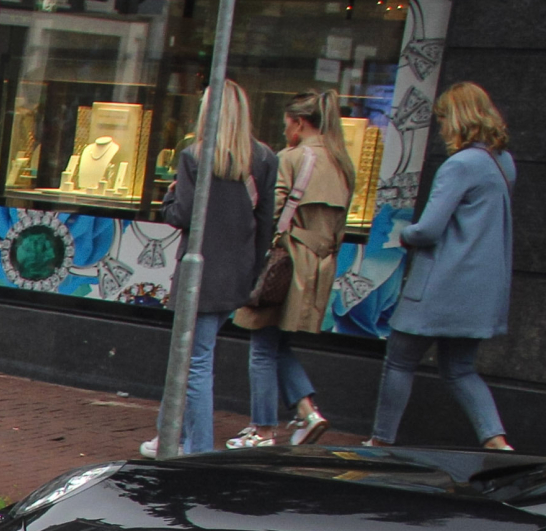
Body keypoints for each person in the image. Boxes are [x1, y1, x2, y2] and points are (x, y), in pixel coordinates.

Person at [369, 83, 516, 451]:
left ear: (457, 119)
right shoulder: (503, 162)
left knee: (400, 361)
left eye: (443, 120)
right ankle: (497, 442)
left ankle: (380, 442)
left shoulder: (459, 164)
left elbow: (430, 228)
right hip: (481, 287)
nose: (441, 128)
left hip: (440, 283)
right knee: (460, 369)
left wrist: (405, 234)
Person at [147, 80, 274, 456]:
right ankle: (172, 435)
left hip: (200, 272)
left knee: (195, 360)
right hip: (236, 271)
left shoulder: (195, 157)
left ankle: (195, 446)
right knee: (196, 355)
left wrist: (168, 197)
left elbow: (181, 214)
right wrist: (254, 271)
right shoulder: (265, 158)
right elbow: (265, 222)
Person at [233, 90, 352, 447]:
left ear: (299, 123)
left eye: (287, 124)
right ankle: (307, 410)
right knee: (277, 341)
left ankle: (263, 428)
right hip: (318, 266)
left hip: (284, 263)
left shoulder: (293, 158)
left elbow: (271, 212)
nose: (286, 131)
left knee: (262, 346)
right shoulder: (342, 163)